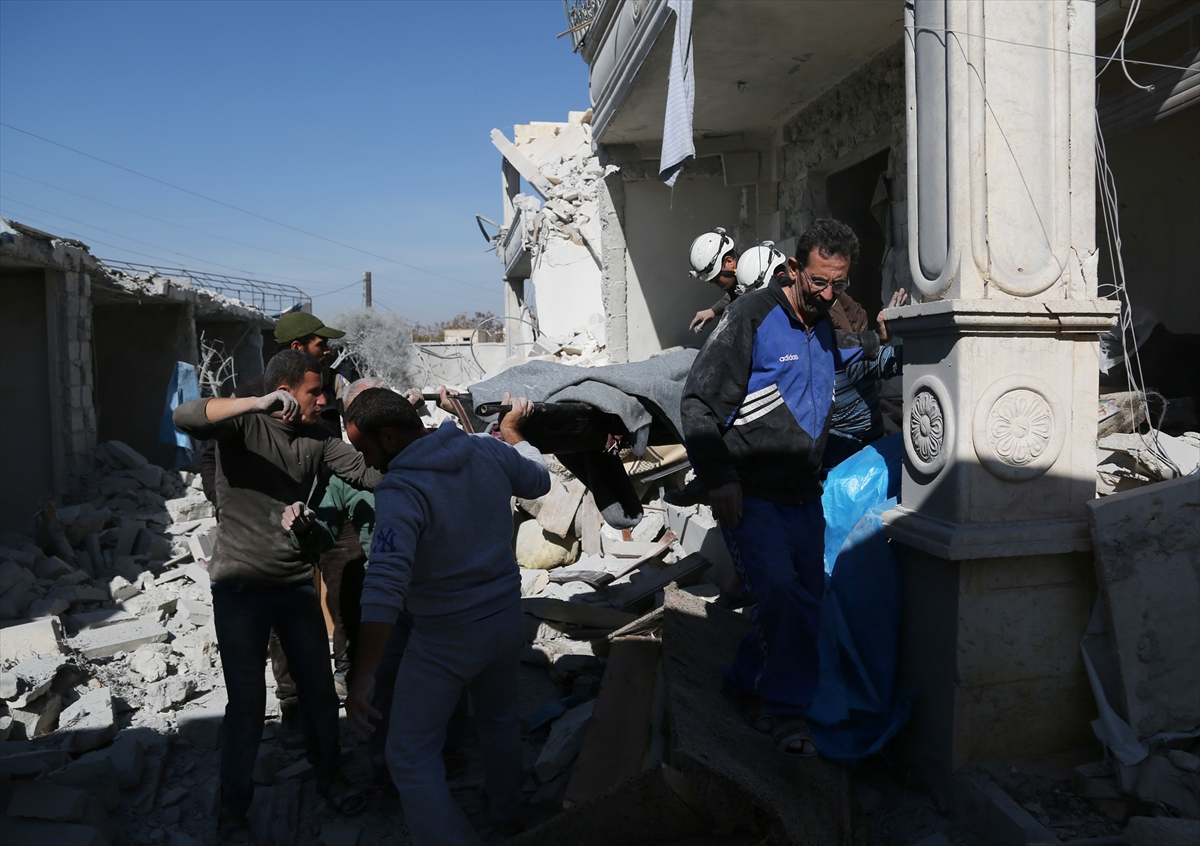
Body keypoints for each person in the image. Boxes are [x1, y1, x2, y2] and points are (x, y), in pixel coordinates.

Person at [173, 350, 377, 844]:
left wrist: (431, 446)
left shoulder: (319, 440)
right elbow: (185, 415)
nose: (323, 400)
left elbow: (371, 475)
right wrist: (254, 403)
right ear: (285, 390)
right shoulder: (244, 427)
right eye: (315, 392)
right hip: (240, 588)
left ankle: (330, 775)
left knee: (320, 693)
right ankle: (234, 812)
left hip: (293, 587)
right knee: (246, 704)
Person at [680, 218, 866, 759]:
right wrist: (720, 480)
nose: (829, 295)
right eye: (818, 283)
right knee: (781, 597)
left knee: (806, 602)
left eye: (839, 284)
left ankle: (742, 678)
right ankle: (786, 715)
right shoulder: (751, 317)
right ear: (792, 270)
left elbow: (859, 361)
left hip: (803, 494)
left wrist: (884, 334)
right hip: (750, 495)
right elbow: (697, 403)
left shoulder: (829, 323)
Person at [343, 388, 550, 845]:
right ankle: (508, 814)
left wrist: (364, 676)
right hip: (504, 620)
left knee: (409, 756)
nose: (367, 462)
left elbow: (384, 588)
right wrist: (514, 434)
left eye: (366, 450)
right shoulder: (485, 449)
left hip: (445, 638)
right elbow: (540, 481)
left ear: (391, 436)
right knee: (497, 721)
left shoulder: (401, 489)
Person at [281, 378, 470, 783]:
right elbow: (323, 535)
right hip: (389, 595)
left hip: (438, 586)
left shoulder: (437, 454)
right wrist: (301, 526)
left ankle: (453, 749)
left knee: (451, 675)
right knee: (382, 678)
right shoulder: (346, 477)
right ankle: (385, 763)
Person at [824, 288, 908, 468]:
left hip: (833, 457)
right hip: (855, 458)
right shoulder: (849, 363)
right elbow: (904, 358)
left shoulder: (811, 352)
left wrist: (879, 338)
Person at [687, 227, 739, 332]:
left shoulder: (759, 285)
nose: (711, 281)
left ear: (729, 262)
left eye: (714, 277)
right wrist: (712, 311)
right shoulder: (744, 281)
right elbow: (735, 292)